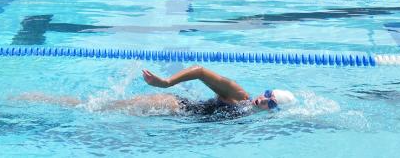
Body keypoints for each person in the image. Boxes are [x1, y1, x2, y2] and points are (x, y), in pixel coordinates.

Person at [17, 65, 295, 119]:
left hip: (174, 116)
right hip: (171, 104)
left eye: (271, 103)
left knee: (103, 109)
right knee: (94, 107)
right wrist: (166, 83)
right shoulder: (240, 96)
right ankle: (40, 99)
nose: (265, 99)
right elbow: (200, 71)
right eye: (268, 94)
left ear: (272, 111)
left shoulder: (249, 117)